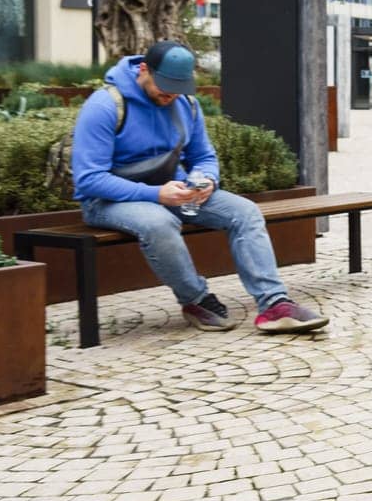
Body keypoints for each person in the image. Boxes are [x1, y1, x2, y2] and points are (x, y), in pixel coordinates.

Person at [71, 40, 330, 334]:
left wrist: (207, 179)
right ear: (144, 69)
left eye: (178, 88)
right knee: (159, 222)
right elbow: (89, 179)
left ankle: (274, 305)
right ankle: (196, 300)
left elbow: (204, 156)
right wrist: (155, 194)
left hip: (175, 191)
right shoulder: (105, 106)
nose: (170, 96)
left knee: (245, 212)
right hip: (107, 202)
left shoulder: (186, 104)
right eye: (164, 87)